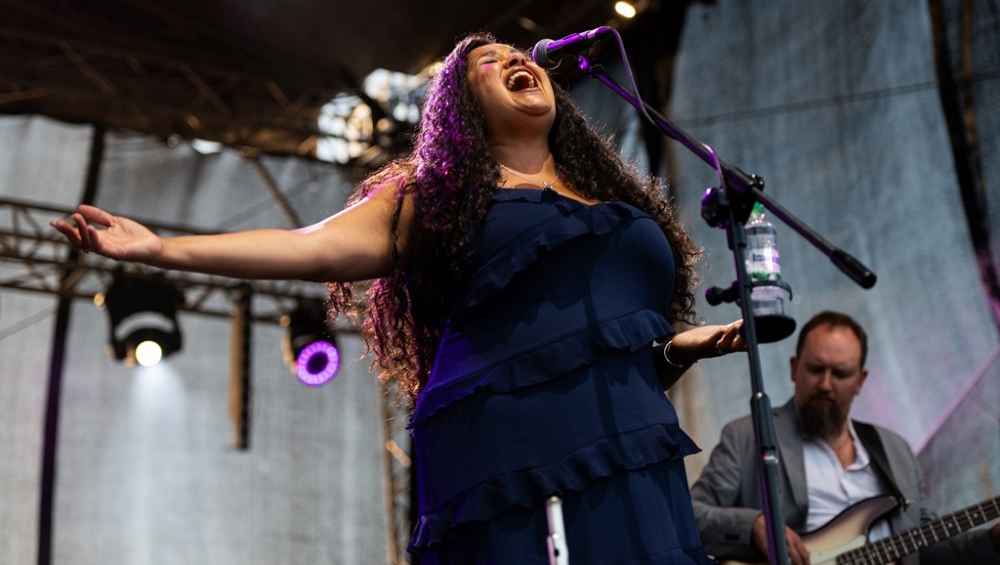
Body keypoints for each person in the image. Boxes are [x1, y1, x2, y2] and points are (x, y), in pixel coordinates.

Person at [52, 33, 746, 564]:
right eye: (487, 62)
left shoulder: (613, 197)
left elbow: (607, 345)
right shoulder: (436, 198)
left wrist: (677, 348)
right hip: (508, 442)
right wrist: (163, 250)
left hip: (630, 438)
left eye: (517, 53)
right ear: (461, 113)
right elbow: (311, 246)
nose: (514, 59)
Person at [690, 310, 1000, 565]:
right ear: (794, 369)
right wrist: (754, 526)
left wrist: (993, 540)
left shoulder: (895, 451)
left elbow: (927, 550)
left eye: (839, 374)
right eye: (816, 369)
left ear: (860, 380)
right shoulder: (749, 436)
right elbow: (690, 514)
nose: (826, 384)